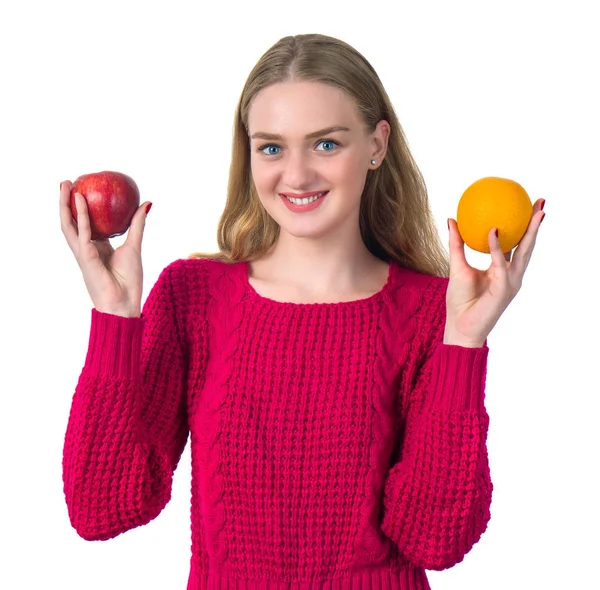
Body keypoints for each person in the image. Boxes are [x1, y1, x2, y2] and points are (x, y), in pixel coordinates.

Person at [59, 33, 545, 590]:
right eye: (271, 147)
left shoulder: (432, 311)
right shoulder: (192, 296)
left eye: (326, 144)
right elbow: (101, 507)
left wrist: (464, 344)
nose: (296, 175)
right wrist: (115, 317)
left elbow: (436, 539)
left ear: (376, 145)